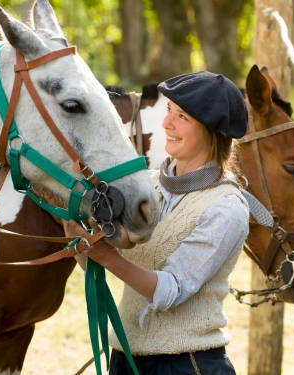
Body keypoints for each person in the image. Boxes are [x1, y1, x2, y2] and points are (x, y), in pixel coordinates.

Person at [69, 71, 252, 375]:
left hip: (186, 364)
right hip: (125, 358)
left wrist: (107, 256)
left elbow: (170, 290)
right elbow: (100, 267)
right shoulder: (149, 187)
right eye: (168, 111)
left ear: (213, 132)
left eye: (182, 117)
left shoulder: (226, 207)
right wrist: (79, 238)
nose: (166, 123)